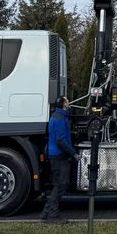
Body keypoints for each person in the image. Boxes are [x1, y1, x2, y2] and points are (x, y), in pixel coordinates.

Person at [40, 96, 77, 224]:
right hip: (59, 156)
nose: (69, 102)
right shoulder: (60, 118)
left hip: (55, 155)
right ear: (63, 104)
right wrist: (73, 153)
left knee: (58, 185)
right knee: (60, 186)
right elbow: (61, 140)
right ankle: (52, 215)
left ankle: (46, 213)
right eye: (67, 101)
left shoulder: (57, 116)